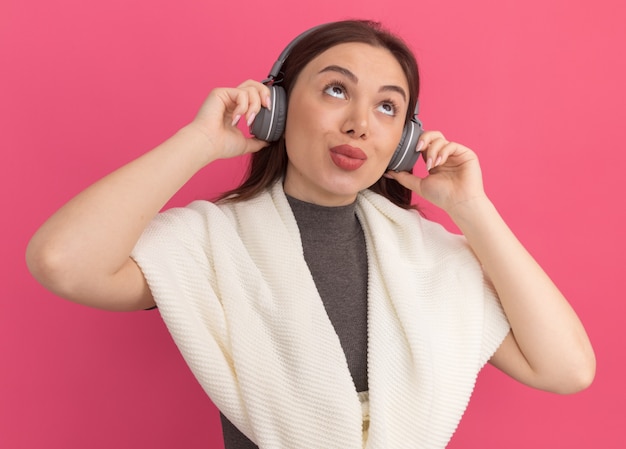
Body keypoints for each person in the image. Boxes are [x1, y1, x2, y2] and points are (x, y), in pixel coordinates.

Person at [26, 20, 595, 449]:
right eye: (336, 91)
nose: (359, 124)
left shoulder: (430, 263)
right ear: (277, 107)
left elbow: (567, 369)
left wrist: (473, 209)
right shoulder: (210, 245)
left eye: (388, 107)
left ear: (402, 141)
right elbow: (61, 260)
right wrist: (199, 142)